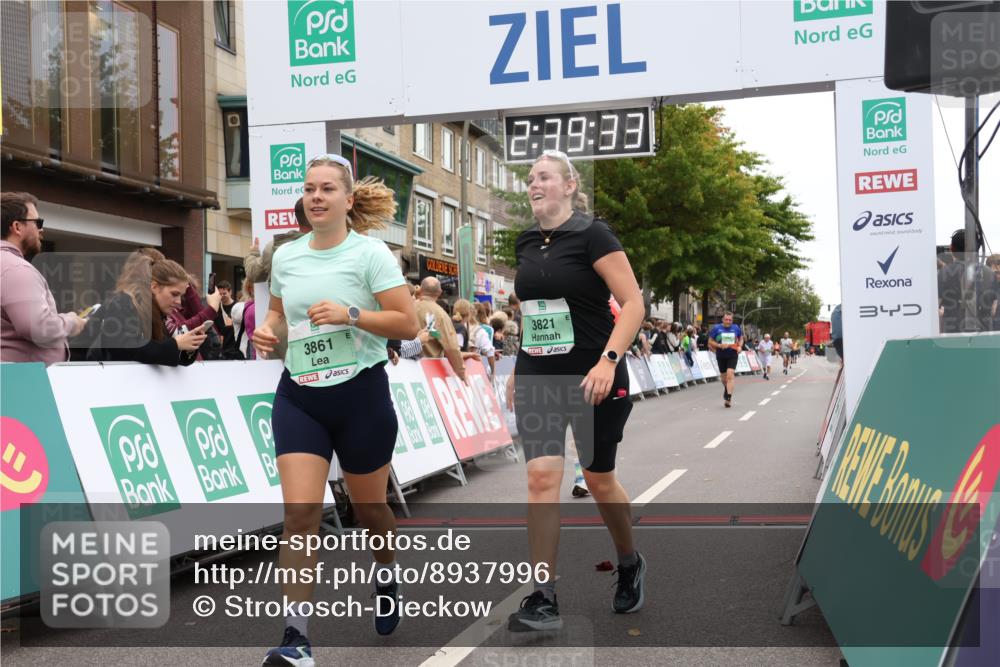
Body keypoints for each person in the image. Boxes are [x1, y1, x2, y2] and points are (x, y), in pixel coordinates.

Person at [251, 155, 418, 666]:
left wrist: (351, 314)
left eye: (327, 189)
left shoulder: (371, 255)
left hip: (360, 393)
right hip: (300, 394)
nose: (316, 196)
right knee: (299, 514)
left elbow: (408, 325)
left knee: (370, 511)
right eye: (309, 189)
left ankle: (385, 573)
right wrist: (268, 333)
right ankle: (295, 639)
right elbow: (278, 317)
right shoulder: (286, 257)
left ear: (348, 199)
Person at [504, 149, 646, 632]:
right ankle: (543, 597)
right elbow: (536, 313)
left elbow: (632, 305)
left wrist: (609, 361)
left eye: (543, 177)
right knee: (542, 479)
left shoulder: (593, 233)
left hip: (594, 375)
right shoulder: (525, 241)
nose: (533, 184)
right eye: (530, 178)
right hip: (541, 374)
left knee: (598, 478)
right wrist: (519, 368)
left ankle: (629, 561)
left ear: (568, 186)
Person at [1, 192, 87, 364]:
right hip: (24, 384)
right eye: (38, 222)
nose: (41, 230)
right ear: (17, 227)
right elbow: (37, 328)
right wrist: (72, 322)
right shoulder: (16, 269)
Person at [88, 251, 207, 365]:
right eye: (174, 294)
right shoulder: (124, 303)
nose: (179, 302)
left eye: (181, 296)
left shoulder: (157, 312)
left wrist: (190, 345)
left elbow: (170, 358)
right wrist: (175, 344)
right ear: (154, 287)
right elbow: (124, 349)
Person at [415, 277, 468, 382]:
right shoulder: (441, 315)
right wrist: (461, 373)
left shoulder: (409, 307)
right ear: (439, 292)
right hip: (430, 370)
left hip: (404, 365)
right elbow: (451, 347)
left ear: (421, 289)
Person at [708, 312, 744, 408]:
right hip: (721, 355)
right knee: (724, 379)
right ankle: (727, 389)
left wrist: (740, 346)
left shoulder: (736, 328)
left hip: (732, 354)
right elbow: (710, 341)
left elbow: (741, 338)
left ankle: (728, 398)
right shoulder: (716, 328)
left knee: (730, 374)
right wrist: (719, 345)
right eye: (726, 319)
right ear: (723, 320)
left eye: (730, 320)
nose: (728, 321)